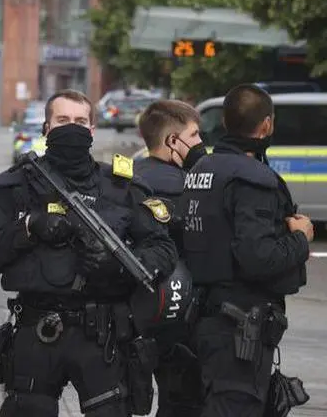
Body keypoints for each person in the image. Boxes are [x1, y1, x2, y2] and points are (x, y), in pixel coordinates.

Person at [0, 89, 178, 417]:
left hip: (101, 336)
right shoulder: (18, 186)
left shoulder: (121, 185)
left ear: (93, 130)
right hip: (36, 330)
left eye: (81, 121)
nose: (72, 127)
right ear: (46, 128)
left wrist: (118, 267)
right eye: (63, 120)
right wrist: (28, 227)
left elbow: (163, 249)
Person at [179, 84, 311, 416]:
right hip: (238, 330)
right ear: (266, 125)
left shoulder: (202, 170)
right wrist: (301, 238)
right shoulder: (253, 179)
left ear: (224, 122)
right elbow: (259, 258)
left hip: (203, 318)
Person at [133, 100, 207, 417]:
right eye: (194, 135)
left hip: (132, 318)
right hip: (184, 316)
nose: (201, 143)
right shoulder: (193, 187)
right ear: (172, 142)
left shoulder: (126, 179)